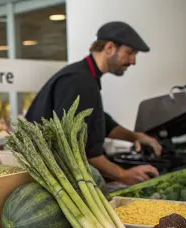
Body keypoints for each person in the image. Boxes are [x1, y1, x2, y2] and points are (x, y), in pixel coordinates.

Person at [25, 21, 162, 185]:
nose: (133, 61)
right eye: (130, 52)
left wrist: (136, 137)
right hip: (46, 178)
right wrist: (124, 175)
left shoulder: (84, 76)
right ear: (110, 48)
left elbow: (100, 121)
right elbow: (79, 149)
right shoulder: (79, 81)